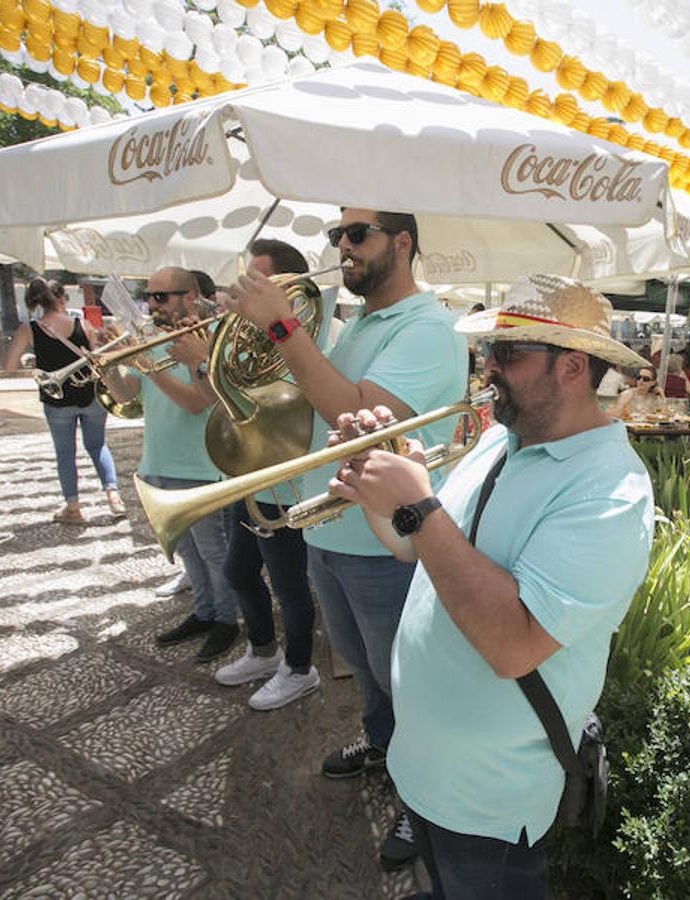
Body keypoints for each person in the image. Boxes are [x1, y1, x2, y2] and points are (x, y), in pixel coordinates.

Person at [326, 274, 655, 900]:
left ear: (572, 367)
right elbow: (415, 551)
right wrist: (378, 492)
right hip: (425, 769)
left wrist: (419, 505)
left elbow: (512, 645)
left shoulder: (610, 492)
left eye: (508, 353)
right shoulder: (498, 442)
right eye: (487, 352)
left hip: (489, 801)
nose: (488, 369)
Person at [225, 209, 466, 867]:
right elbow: (309, 398)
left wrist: (281, 326)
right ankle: (383, 743)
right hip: (334, 533)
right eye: (337, 236)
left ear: (404, 242)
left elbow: (353, 413)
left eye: (358, 234)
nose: (343, 247)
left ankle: (429, 808)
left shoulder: (430, 328)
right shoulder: (360, 322)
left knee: (412, 688)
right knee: (367, 675)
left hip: (391, 547)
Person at [183, 240, 322, 710]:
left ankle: (301, 669)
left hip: (290, 486)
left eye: (254, 283)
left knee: (289, 587)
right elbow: (225, 403)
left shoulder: (315, 334)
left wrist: (208, 362)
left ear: (286, 286)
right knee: (238, 571)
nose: (243, 295)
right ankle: (264, 650)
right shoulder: (252, 334)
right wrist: (205, 363)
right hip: (253, 475)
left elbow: (295, 402)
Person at [103, 266, 242, 663]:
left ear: (190, 296)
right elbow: (129, 396)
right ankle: (204, 612)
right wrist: (109, 366)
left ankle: (227, 621)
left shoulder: (209, 340)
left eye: (161, 297)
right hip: (158, 462)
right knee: (189, 554)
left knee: (215, 554)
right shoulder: (150, 339)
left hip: (200, 465)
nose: (153, 305)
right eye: (149, 296)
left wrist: (148, 366)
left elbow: (199, 401)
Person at [3, 278, 124, 524]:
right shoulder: (83, 324)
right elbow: (97, 360)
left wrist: (34, 361)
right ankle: (113, 497)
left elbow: (7, 367)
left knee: (65, 453)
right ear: (62, 299)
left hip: (57, 401)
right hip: (90, 397)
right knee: (98, 446)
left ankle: (73, 507)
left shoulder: (29, 329)